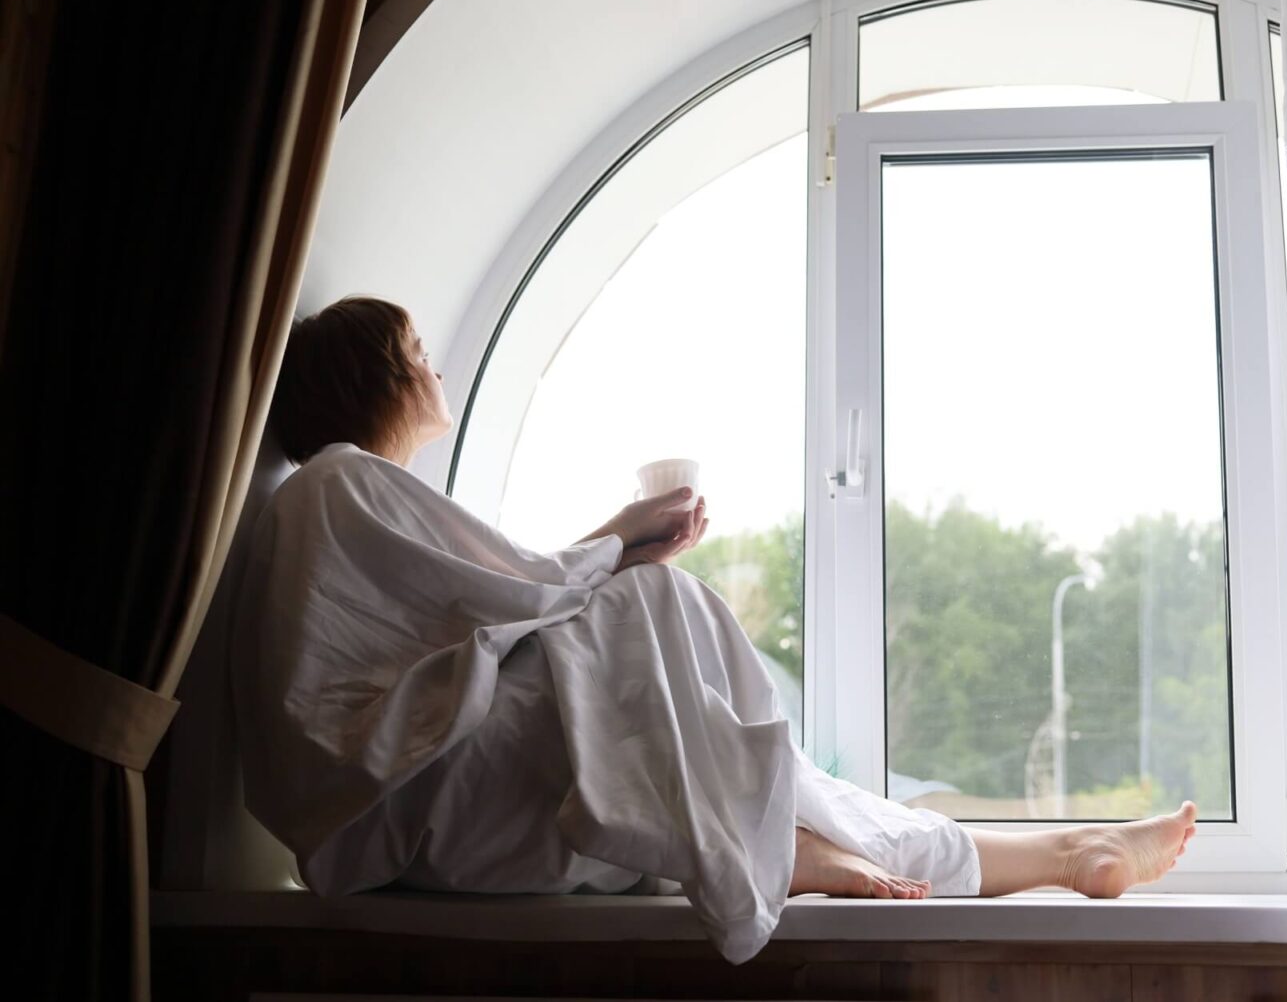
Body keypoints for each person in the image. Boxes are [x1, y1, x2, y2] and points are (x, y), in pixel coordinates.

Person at [233, 295, 1198, 963]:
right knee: (648, 609)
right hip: (406, 798)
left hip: (440, 780)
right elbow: (506, 609)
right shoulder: (341, 481)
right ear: (379, 373)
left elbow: (493, 611)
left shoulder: (356, 492)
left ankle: (1060, 854)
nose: (434, 365)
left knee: (673, 645)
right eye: (416, 351)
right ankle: (805, 851)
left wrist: (621, 551)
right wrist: (619, 545)